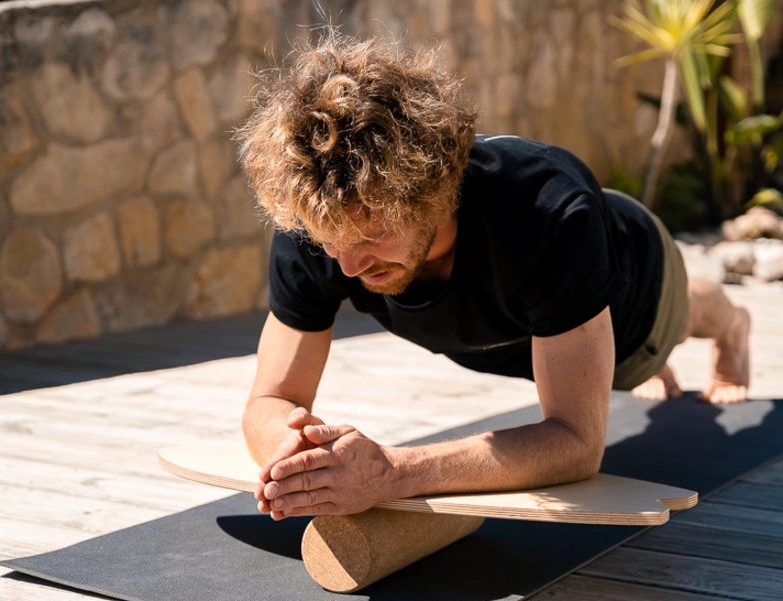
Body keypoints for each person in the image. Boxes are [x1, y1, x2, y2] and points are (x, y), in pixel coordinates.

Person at [236, 33, 751, 521]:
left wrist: (393, 473)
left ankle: (733, 329)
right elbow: (270, 399)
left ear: (434, 193)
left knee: (678, 326)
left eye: (370, 236)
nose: (346, 266)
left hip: (638, 291)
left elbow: (576, 443)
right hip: (516, 333)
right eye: (331, 240)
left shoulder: (549, 213)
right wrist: (294, 456)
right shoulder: (316, 219)